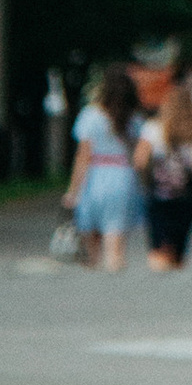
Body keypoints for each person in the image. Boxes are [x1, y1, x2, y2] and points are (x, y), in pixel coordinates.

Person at [65, 67, 144, 269]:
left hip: (95, 176)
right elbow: (139, 155)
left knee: (91, 236)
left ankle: (93, 277)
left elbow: (83, 156)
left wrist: (73, 191)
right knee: (115, 237)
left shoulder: (90, 115)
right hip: (122, 176)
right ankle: (115, 273)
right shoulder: (133, 119)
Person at [137, 80, 192, 271]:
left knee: (158, 243)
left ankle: (159, 274)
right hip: (186, 196)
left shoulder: (153, 128)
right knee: (179, 248)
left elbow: (140, 160)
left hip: (159, 193)